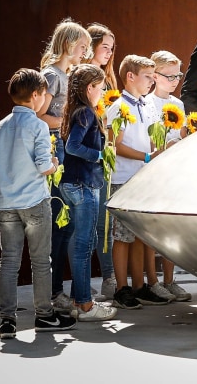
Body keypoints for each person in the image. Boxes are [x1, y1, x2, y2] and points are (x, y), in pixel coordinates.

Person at [0, 68, 77, 338]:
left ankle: (7, 321)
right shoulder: (38, 125)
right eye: (43, 95)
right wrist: (54, 163)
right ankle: (44, 315)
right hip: (33, 201)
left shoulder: (0, 127)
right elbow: (43, 166)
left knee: (9, 262)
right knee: (41, 261)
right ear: (36, 95)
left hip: (6, 203)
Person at [106, 54, 170, 309]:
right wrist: (147, 155)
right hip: (123, 179)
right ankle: (121, 288)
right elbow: (115, 144)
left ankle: (139, 286)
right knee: (122, 237)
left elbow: (152, 137)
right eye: (147, 77)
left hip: (142, 179)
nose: (151, 82)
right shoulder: (119, 106)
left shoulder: (147, 104)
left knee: (140, 236)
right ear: (130, 76)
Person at [37, 18, 90, 313]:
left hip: (68, 152)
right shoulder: (52, 75)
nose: (85, 52)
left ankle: (60, 289)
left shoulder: (68, 74)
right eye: (82, 46)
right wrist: (71, 123)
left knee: (67, 223)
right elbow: (39, 115)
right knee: (60, 221)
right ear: (69, 44)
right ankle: (54, 291)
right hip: (56, 151)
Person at [59, 64, 118, 321]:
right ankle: (84, 305)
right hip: (83, 185)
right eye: (101, 87)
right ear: (89, 88)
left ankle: (78, 300)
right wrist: (99, 156)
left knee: (84, 243)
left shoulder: (78, 110)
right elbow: (73, 146)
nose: (103, 92)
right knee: (84, 245)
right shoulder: (85, 113)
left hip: (76, 183)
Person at [145, 51, 192, 302]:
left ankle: (170, 280)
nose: (175, 80)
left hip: (173, 172)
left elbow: (181, 134)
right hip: (153, 170)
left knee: (172, 229)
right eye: (169, 76)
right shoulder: (147, 102)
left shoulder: (179, 104)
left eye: (178, 76)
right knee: (154, 230)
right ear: (154, 76)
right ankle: (152, 282)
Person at [85, 23, 118, 301]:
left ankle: (110, 278)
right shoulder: (80, 78)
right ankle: (80, 286)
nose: (108, 52)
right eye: (103, 46)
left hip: (105, 154)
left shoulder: (109, 81)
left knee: (103, 223)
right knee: (81, 224)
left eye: (111, 48)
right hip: (84, 156)